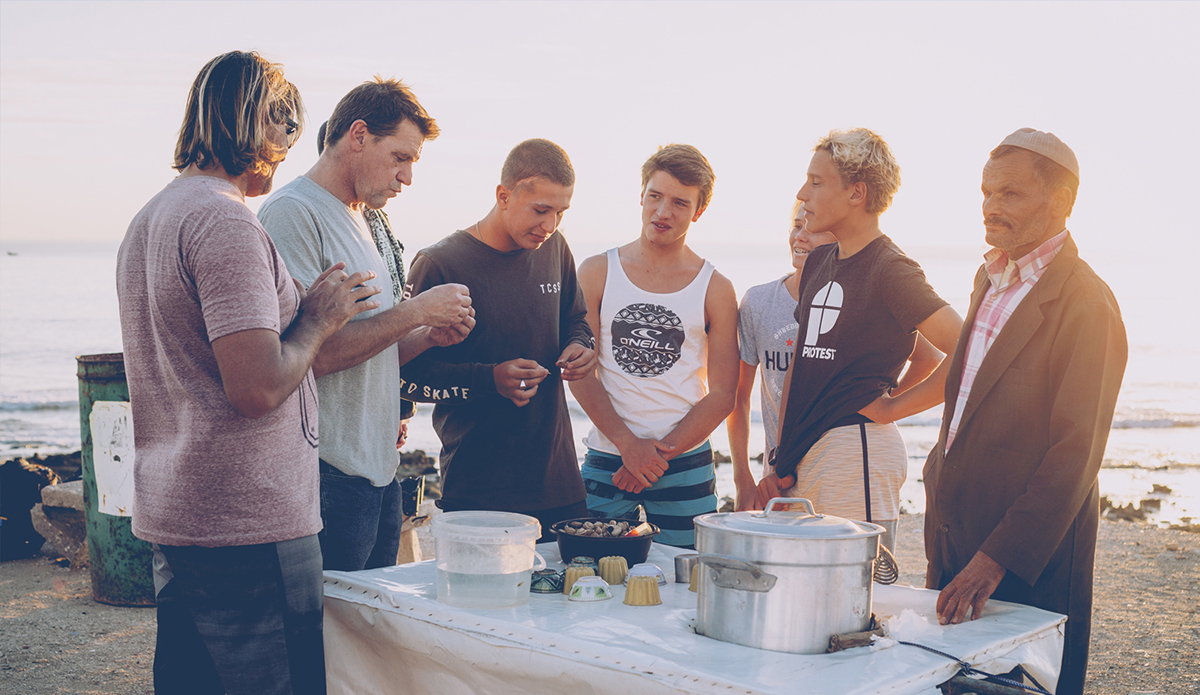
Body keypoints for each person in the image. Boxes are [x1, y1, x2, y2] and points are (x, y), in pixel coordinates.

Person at [117, 51, 378, 694]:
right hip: (249, 525)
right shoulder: (224, 221)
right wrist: (317, 319)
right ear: (256, 121)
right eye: (286, 128)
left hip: (181, 512)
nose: (289, 148)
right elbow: (257, 386)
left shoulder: (152, 217)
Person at [923, 128, 1126, 694]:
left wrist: (994, 561)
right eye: (986, 192)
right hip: (955, 542)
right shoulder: (987, 277)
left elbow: (1075, 457)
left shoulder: (1088, 304)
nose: (990, 206)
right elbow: (965, 407)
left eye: (1009, 194)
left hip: (1024, 563)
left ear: (1059, 202)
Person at [259, 78, 475, 572]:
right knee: (328, 637)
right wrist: (416, 312)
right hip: (325, 474)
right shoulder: (292, 214)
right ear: (358, 135)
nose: (407, 178)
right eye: (400, 157)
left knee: (365, 638)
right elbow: (304, 359)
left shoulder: (365, 219)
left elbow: (365, 354)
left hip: (377, 472)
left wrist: (423, 337)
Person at [755, 128, 962, 555]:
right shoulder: (818, 263)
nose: (802, 193)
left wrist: (892, 407)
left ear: (856, 193)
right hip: (803, 453)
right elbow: (802, 365)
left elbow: (967, 348)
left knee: (852, 603)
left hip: (857, 453)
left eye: (816, 182)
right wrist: (780, 453)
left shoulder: (892, 269)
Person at [398, 139, 595, 539]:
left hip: (560, 484)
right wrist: (490, 380)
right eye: (540, 210)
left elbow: (577, 319)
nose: (550, 225)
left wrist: (582, 347)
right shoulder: (440, 263)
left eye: (561, 212)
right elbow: (404, 375)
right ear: (503, 196)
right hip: (476, 488)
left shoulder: (555, 247)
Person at [569, 144, 739, 548]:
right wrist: (629, 446)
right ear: (641, 195)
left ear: (698, 211)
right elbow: (581, 372)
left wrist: (654, 457)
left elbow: (722, 394)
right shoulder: (596, 272)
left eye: (680, 203)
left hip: (685, 462)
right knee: (592, 574)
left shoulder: (715, 288)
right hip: (609, 457)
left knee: (687, 580)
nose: (663, 212)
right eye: (655, 196)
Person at [728, 202, 942, 513]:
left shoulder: (862, 298)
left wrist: (884, 404)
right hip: (782, 468)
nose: (801, 236)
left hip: (842, 460)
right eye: (796, 225)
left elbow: (929, 357)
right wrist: (744, 477)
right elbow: (739, 398)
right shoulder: (759, 302)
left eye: (812, 229)